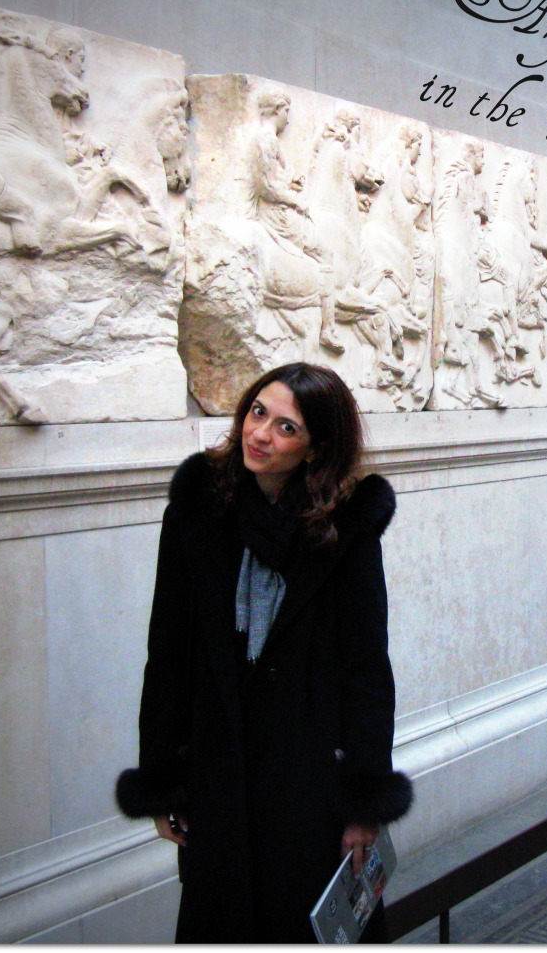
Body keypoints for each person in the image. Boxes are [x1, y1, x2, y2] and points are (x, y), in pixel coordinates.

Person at [115, 362, 413, 943]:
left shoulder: (344, 531)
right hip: (218, 780)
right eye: (258, 412)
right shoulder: (198, 513)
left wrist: (363, 803)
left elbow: (367, 673)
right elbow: (168, 654)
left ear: (315, 448)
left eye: (286, 428)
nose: (260, 434)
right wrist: (162, 780)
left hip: (309, 788)